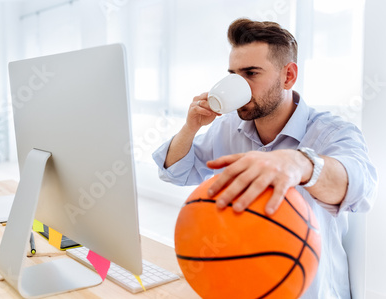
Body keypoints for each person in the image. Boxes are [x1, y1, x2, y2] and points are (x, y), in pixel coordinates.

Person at [152, 18, 377, 298]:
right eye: (234, 74)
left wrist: (300, 163)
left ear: (288, 76)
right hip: (243, 284)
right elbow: (175, 172)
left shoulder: (332, 133)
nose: (239, 85)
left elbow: (361, 187)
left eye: (251, 73)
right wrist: (191, 127)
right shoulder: (227, 126)